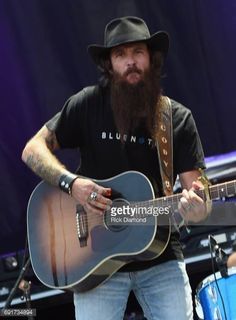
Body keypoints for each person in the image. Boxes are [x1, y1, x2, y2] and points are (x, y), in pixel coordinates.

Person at [22, 16, 211, 320]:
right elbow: (33, 149)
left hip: (159, 256)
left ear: (151, 58)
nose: (130, 62)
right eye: (120, 55)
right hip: (94, 262)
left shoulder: (176, 118)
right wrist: (72, 184)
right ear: (109, 65)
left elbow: (198, 196)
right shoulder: (87, 104)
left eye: (137, 52)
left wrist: (197, 208)